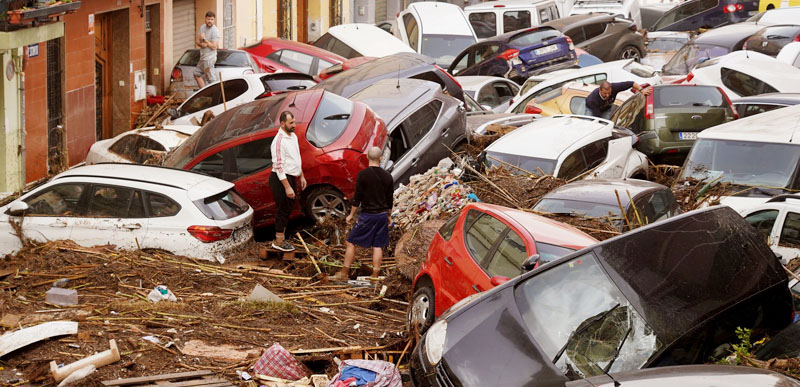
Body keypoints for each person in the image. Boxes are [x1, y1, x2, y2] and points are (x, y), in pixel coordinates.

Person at [329, 147, 394, 281]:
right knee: (377, 246)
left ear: (368, 158)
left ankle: (344, 273)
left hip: (368, 216)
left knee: (350, 242)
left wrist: (351, 215)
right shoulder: (388, 176)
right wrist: (389, 216)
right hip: (381, 215)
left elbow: (357, 198)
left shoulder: (363, 175)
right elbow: (389, 199)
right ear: (380, 158)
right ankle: (375, 276)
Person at [270, 111, 306, 252]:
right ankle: (278, 241)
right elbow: (278, 166)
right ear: (283, 123)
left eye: (294, 122)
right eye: (291, 123)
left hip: (292, 176)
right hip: (281, 179)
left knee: (289, 208)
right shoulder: (279, 141)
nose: (294, 125)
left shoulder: (293, 136)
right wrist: (287, 187)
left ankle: (282, 237)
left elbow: (296, 157)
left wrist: (301, 175)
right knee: (283, 209)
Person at [585, 81, 652, 119]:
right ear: (600, 90)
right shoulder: (593, 100)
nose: (607, 95)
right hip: (591, 109)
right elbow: (597, 118)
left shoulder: (615, 87)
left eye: (609, 93)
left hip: (606, 108)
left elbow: (632, 83)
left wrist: (641, 90)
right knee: (592, 125)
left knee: (606, 124)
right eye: (605, 93)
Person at [194, 11, 221, 89]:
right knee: (196, 74)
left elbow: (214, 46)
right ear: (205, 19)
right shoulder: (202, 27)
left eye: (212, 19)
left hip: (209, 58)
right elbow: (197, 41)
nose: (210, 21)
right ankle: (204, 93)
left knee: (211, 79)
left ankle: (213, 97)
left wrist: (205, 40)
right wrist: (201, 44)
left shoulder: (215, 31)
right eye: (208, 19)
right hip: (203, 57)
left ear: (214, 20)